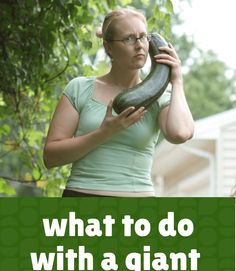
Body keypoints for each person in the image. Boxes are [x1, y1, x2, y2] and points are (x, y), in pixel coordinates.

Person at [43, 8, 194, 197]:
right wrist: (104, 133)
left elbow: (180, 133)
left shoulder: (160, 95)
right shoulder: (79, 88)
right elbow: (50, 157)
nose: (139, 45)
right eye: (129, 39)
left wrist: (177, 81)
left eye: (143, 37)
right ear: (109, 47)